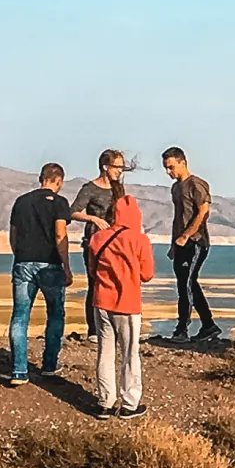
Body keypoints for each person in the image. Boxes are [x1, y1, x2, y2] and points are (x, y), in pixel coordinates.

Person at [86, 179, 154, 418]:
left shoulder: (97, 239)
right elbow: (147, 274)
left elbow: (93, 271)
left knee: (105, 352)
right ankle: (129, 404)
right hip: (128, 304)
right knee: (129, 354)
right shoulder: (139, 240)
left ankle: (105, 402)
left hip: (101, 302)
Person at [6, 162, 72, 386]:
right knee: (55, 314)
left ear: (41, 178)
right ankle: (49, 365)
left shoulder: (21, 202)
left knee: (20, 316)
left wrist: (20, 255)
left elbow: (13, 235)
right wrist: (66, 266)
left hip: (23, 264)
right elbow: (60, 235)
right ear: (59, 181)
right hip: (50, 266)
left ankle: (19, 371)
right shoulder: (60, 203)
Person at [165, 147, 222, 343]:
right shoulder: (175, 188)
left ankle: (182, 329)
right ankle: (208, 325)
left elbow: (203, 212)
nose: (168, 172)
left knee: (187, 283)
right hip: (180, 242)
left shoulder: (196, 185)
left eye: (171, 167)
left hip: (196, 242)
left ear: (182, 162)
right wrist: (175, 243)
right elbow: (177, 218)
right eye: (166, 168)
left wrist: (187, 235)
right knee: (187, 284)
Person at [69, 149, 126, 339]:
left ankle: (113, 327)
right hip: (95, 243)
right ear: (105, 167)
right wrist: (92, 218)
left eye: (122, 167)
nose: (120, 171)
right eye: (117, 167)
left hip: (116, 243)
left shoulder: (118, 189)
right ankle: (93, 329)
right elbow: (73, 212)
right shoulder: (90, 189)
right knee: (95, 284)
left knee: (115, 283)